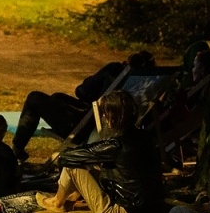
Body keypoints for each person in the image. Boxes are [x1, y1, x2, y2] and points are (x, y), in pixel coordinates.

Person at [37, 90, 164, 213]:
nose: (104, 117)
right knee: (93, 165)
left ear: (112, 116)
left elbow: (67, 158)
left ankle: (57, 202)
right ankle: (73, 197)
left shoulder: (115, 145)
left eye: (105, 114)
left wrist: (82, 160)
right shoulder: (145, 137)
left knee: (72, 165)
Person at [11, 49, 156, 161]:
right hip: (109, 129)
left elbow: (81, 91)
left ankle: (17, 150)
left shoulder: (115, 70)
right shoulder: (149, 84)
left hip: (86, 129)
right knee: (57, 97)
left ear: (128, 62)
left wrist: (97, 79)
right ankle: (18, 149)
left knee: (34, 98)